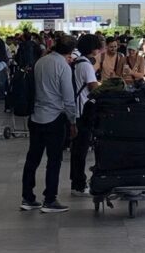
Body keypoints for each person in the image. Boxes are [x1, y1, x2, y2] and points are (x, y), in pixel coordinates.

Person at [20, 36, 77, 213]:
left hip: (36, 116)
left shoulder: (40, 61)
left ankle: (27, 198)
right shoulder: (63, 66)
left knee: (32, 159)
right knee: (54, 160)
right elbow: (68, 98)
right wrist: (73, 120)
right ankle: (50, 199)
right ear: (70, 51)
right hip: (54, 117)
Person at [69, 34, 100, 197]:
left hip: (76, 110)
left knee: (77, 150)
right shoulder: (86, 66)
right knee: (81, 150)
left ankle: (76, 181)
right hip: (83, 111)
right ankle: (79, 184)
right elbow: (93, 87)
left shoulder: (77, 62)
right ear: (93, 48)